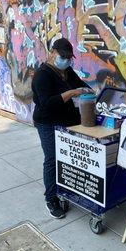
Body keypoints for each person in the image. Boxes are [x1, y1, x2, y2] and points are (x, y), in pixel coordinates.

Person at [32, 38, 92, 219]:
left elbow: (80, 85)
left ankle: (68, 188)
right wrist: (73, 93)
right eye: (62, 56)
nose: (66, 60)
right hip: (47, 121)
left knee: (69, 157)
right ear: (52, 52)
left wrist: (90, 92)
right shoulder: (42, 75)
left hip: (67, 119)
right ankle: (51, 198)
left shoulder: (66, 71)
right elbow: (47, 104)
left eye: (68, 57)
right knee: (52, 158)